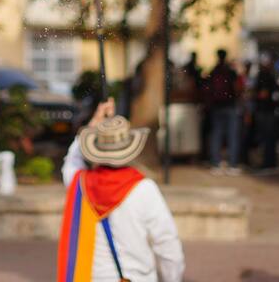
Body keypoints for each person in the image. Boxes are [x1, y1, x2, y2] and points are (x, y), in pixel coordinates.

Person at [56, 115, 184, 282]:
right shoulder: (144, 189)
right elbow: (167, 244)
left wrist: (92, 125)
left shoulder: (80, 185)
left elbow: (71, 162)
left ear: (96, 150)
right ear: (130, 150)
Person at [205, 49, 240, 174]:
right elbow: (237, 88)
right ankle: (232, 164)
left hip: (216, 107)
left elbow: (208, 88)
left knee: (216, 135)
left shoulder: (214, 71)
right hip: (230, 106)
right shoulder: (230, 71)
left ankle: (216, 163)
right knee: (232, 135)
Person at [249, 54, 279, 174]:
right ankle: (270, 163)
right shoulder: (271, 75)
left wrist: (252, 95)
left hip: (265, 112)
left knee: (267, 140)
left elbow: (263, 94)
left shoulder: (264, 76)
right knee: (270, 139)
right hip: (269, 112)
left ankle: (268, 164)